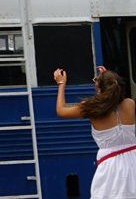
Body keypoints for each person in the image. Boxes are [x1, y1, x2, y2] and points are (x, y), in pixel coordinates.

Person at [54, 67, 136, 199]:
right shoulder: (130, 104)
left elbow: (61, 110)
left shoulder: (92, 108)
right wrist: (107, 77)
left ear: (98, 89)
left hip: (110, 167)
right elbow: (112, 96)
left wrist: (61, 83)